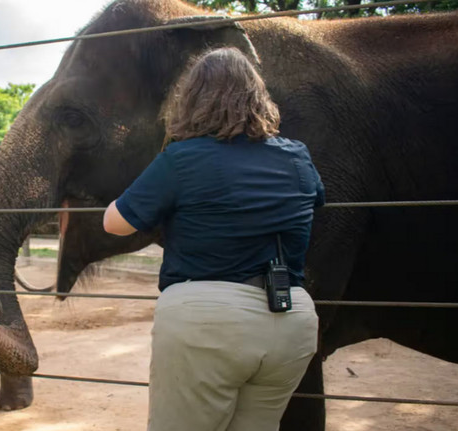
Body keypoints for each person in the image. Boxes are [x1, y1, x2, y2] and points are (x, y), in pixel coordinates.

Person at [103, 48, 325, 431]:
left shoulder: (182, 158)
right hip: (291, 319)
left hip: (206, 323)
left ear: (191, 101)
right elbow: (313, 202)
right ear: (259, 97)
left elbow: (115, 223)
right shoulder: (298, 157)